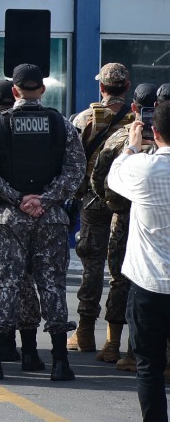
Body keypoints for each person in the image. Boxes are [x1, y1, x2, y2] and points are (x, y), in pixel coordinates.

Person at [0, 63, 85, 382]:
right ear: (43, 90)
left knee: (6, 284)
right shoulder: (62, 124)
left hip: (8, 218)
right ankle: (60, 362)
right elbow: (76, 171)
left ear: (15, 91)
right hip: (51, 219)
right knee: (52, 285)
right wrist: (45, 199)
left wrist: (16, 197)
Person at [104, 103, 170, 422]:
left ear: (153, 131)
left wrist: (131, 145)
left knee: (149, 368)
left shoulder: (142, 168)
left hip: (149, 285)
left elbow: (114, 177)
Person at [70, 62, 135, 358]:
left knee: (92, 266)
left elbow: (71, 162)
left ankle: (84, 332)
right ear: (127, 85)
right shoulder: (136, 122)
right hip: (125, 203)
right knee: (121, 270)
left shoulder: (84, 118)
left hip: (93, 201)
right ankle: (114, 341)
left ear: (101, 87)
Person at [94, 82, 159, 374]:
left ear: (135, 108)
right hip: (157, 218)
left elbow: (100, 176)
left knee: (120, 279)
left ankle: (113, 345)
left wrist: (112, 204)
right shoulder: (163, 140)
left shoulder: (122, 137)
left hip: (123, 217)